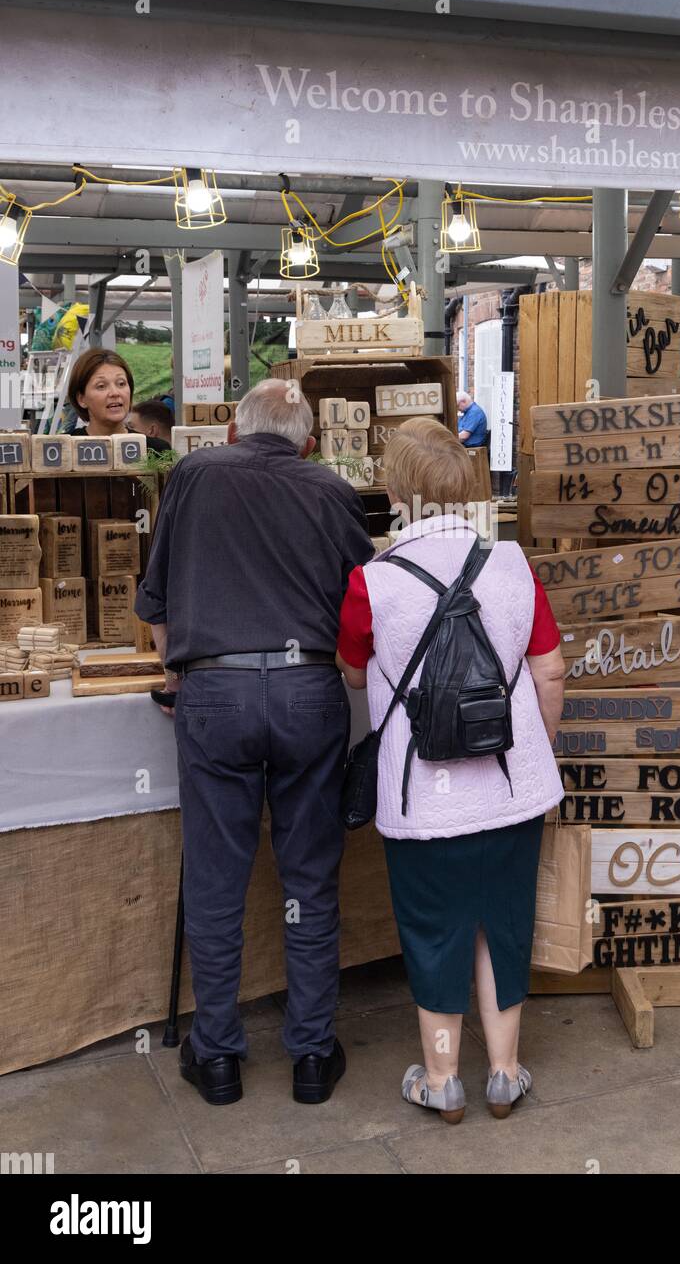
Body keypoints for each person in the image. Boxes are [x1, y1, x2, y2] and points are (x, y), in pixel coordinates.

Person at [135, 379, 374, 1108]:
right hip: (306, 694)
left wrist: (178, 673)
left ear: (234, 434)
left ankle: (217, 1059)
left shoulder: (194, 474)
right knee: (308, 879)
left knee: (215, 881)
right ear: (307, 442)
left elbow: (156, 602)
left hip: (216, 693)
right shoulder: (331, 490)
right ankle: (309, 1055)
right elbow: (367, 596)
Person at [335, 417, 564, 1123]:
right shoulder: (516, 565)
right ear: (466, 487)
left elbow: (350, 675)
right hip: (510, 791)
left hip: (421, 803)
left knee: (434, 930)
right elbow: (550, 670)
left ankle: (442, 1081)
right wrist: (535, 755)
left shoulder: (370, 582)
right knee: (504, 924)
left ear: (396, 491)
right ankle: (503, 1071)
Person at [66, 348, 170, 450]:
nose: (115, 393)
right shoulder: (63, 448)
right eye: (101, 386)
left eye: (121, 384)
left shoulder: (155, 450)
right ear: (81, 399)